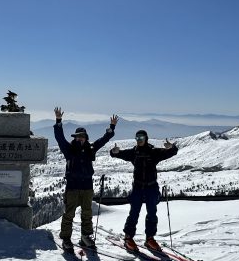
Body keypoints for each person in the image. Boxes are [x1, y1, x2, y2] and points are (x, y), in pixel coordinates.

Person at [53, 107, 118, 250]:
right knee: (69, 214)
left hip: (87, 187)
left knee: (87, 213)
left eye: (81, 136)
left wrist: (111, 127)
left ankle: (85, 237)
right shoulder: (69, 149)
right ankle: (66, 239)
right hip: (73, 187)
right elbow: (59, 138)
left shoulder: (90, 149)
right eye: (77, 136)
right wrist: (58, 121)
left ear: (86, 137)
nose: (79, 138)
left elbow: (103, 140)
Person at [109, 130, 178, 252]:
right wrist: (114, 152)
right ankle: (128, 237)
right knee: (134, 213)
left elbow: (172, 153)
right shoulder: (133, 152)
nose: (139, 140)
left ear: (146, 138)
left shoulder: (153, 152)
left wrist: (172, 147)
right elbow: (118, 154)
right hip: (137, 187)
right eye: (137, 138)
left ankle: (150, 238)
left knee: (152, 214)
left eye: (141, 137)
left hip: (151, 187)